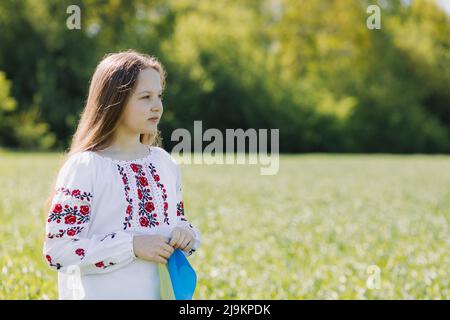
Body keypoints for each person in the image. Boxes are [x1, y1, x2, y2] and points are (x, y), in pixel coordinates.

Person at [42, 50, 201, 299]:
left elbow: (178, 220)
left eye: (159, 96)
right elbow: (58, 251)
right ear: (114, 101)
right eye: (145, 97)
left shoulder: (164, 163)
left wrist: (186, 234)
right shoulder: (85, 167)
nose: (157, 106)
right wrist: (131, 246)